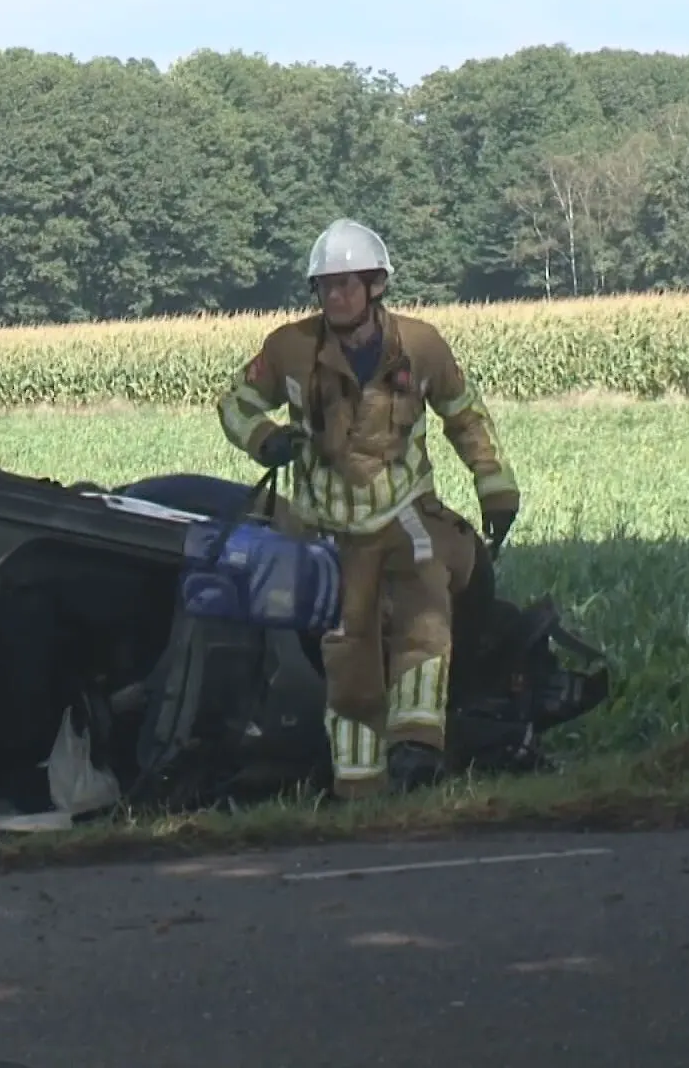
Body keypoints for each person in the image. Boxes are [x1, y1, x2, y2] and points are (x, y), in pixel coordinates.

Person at [214, 218, 520, 799]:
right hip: (327, 527)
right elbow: (234, 404)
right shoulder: (289, 349)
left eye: (347, 284)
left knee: (425, 615)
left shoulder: (422, 346)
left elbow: (466, 415)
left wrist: (496, 488)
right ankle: (360, 792)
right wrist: (264, 437)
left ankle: (417, 749)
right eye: (325, 286)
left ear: (376, 285)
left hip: (404, 511)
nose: (335, 296)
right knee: (347, 655)